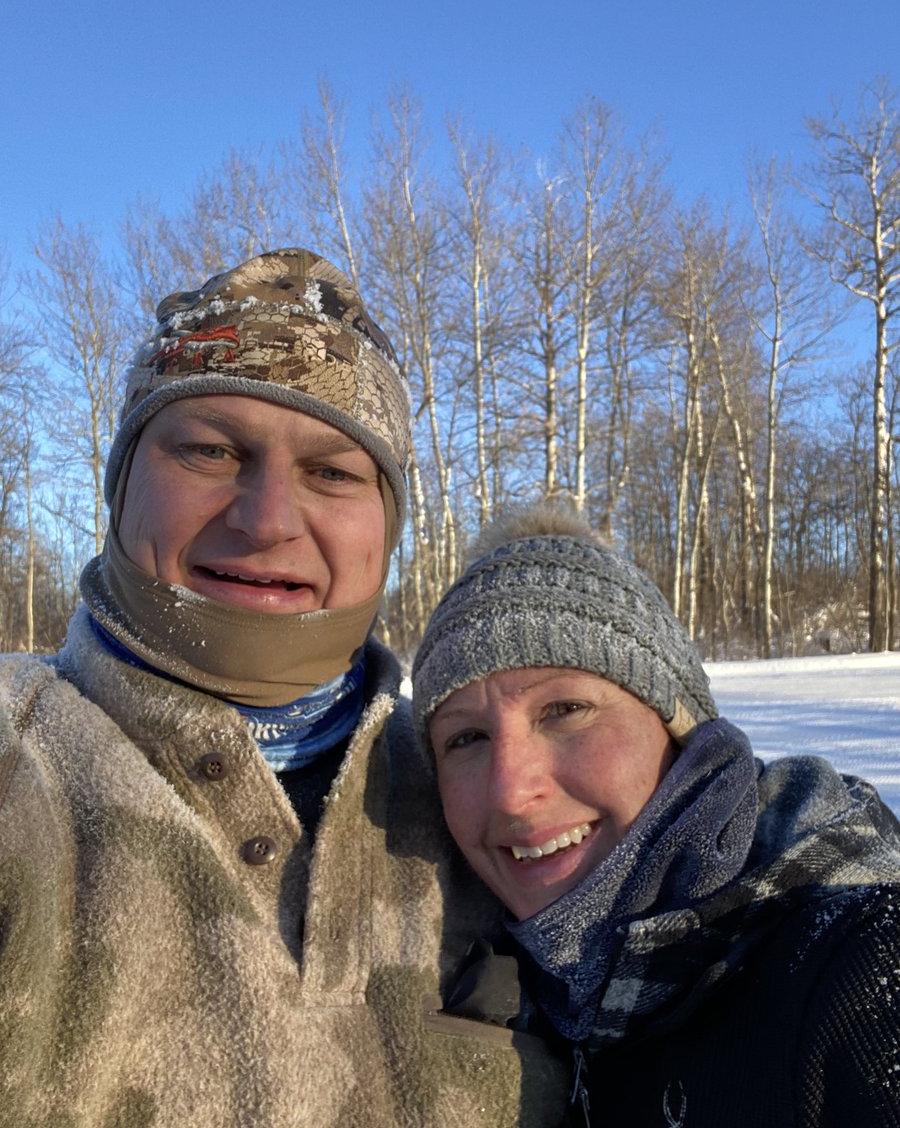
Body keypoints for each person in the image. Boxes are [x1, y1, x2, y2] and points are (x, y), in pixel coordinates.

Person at [0, 250, 569, 1128]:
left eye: (333, 472)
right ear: (118, 488)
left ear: (387, 530)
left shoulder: (489, 791)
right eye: (210, 450)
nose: (265, 520)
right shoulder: (18, 763)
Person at [412, 499, 900, 1127]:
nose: (511, 791)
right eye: (466, 739)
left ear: (679, 724)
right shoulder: (502, 983)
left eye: (564, 710)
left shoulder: (854, 965)